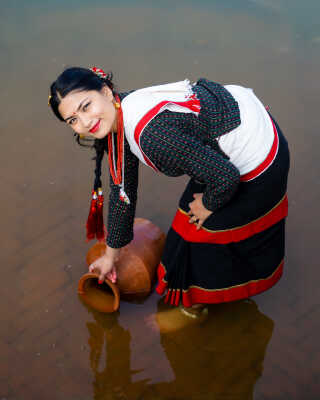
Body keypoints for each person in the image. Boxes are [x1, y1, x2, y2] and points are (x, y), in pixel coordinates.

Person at [48, 67, 289, 322]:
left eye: (86, 106)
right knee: (185, 229)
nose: (85, 123)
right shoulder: (119, 111)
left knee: (198, 243)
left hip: (258, 155)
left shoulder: (152, 136)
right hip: (230, 127)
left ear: (106, 92)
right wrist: (111, 256)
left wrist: (208, 205)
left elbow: (225, 177)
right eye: (73, 120)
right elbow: (123, 192)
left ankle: (193, 309)